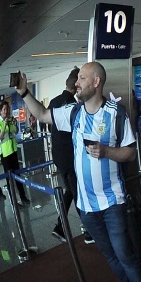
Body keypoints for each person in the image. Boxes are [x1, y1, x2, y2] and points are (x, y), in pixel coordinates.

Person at [14, 63, 141, 282]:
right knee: (112, 257)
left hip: (112, 202)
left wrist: (106, 152)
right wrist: (24, 93)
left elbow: (129, 152)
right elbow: (44, 114)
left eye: (81, 78)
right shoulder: (74, 112)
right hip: (87, 207)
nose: (76, 83)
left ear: (96, 82)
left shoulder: (117, 114)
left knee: (126, 256)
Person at [48, 67, 92, 243]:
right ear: (76, 85)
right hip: (71, 157)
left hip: (58, 156)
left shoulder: (53, 101)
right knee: (78, 192)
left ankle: (60, 226)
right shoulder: (73, 106)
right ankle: (89, 231)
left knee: (70, 191)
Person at [0, 100, 30, 205]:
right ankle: (14, 201)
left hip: (13, 151)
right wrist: (4, 124)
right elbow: (1, 136)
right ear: (0, 111)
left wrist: (15, 124)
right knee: (9, 179)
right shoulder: (0, 122)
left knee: (18, 175)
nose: (6, 111)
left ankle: (23, 197)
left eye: (7, 109)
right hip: (5, 154)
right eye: (4, 109)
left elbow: (15, 132)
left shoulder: (10, 119)